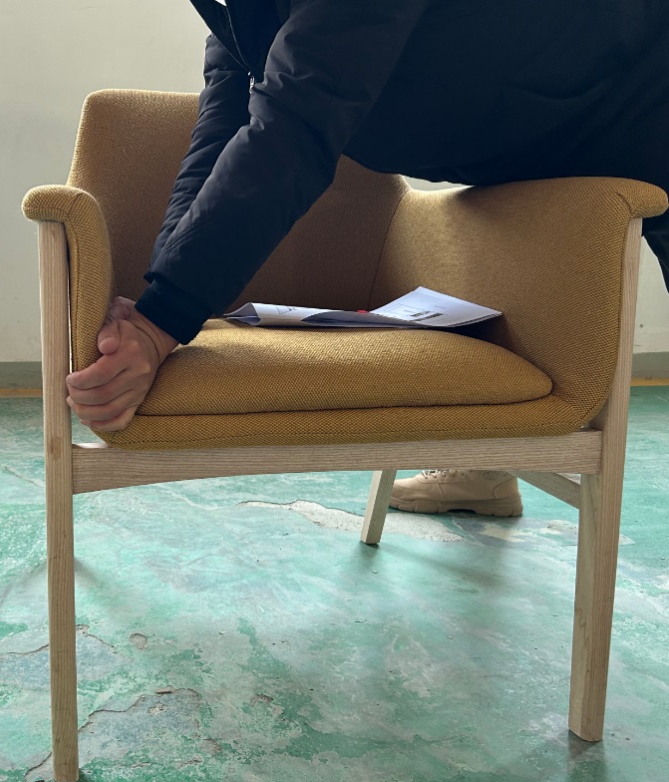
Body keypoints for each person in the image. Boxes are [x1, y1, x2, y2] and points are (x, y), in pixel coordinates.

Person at [65, 0, 669, 516]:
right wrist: (153, 303)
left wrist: (164, 318)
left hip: (641, 91)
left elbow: (297, 123)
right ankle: (484, 468)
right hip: (528, 127)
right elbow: (222, 125)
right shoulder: (232, 8)